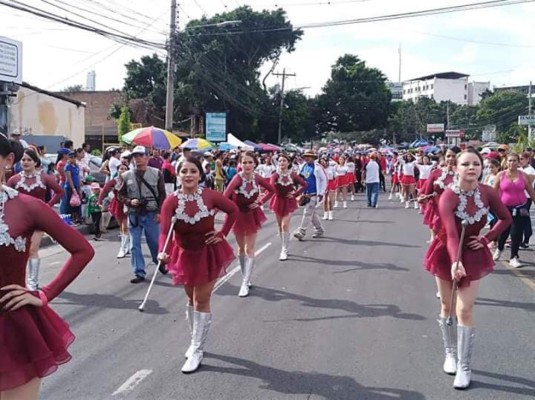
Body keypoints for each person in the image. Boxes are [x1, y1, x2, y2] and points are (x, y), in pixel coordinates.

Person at [0, 133, 94, 399]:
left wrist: (44, 294)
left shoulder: (27, 207)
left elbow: (82, 250)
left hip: (12, 326)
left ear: (9, 161)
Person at [424, 149, 511, 390]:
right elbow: (451, 235)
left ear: (481, 168)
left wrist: (487, 238)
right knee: (447, 305)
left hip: (472, 252)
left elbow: (505, 218)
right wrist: (454, 261)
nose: (471, 168)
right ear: (456, 168)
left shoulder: (488, 193)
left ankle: (464, 366)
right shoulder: (448, 197)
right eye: (465, 164)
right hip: (446, 252)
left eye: (476, 164)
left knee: (465, 309)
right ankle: (450, 353)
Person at [158, 157, 238, 373]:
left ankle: (197, 348)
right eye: (184, 171)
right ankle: (195, 340)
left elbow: (233, 210)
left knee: (201, 299)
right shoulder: (171, 202)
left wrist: (222, 234)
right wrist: (161, 251)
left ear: (200, 175)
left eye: (193, 170)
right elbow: (165, 231)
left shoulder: (211, 196)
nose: (189, 175)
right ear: (178, 174)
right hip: (183, 254)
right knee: (190, 299)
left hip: (208, 252)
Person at [6, 149, 64, 291]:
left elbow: (59, 191)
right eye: (23, 160)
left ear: (36, 162)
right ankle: (19, 281)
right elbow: (6, 198)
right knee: (18, 252)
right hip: (18, 220)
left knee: (32, 249)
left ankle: (32, 282)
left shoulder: (44, 178)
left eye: (29, 160)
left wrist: (46, 207)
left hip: (37, 220)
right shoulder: (14, 180)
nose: (25, 162)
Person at [223, 151, 275, 297]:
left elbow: (271, 190)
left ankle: (245, 282)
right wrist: (229, 209)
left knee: (250, 248)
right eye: (244, 162)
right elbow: (224, 197)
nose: (247, 165)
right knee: (241, 249)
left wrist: (259, 202)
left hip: (252, 214)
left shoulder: (257, 178)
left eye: (250, 162)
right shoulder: (236, 179)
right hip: (238, 214)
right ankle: (245, 276)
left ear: (255, 164)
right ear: (240, 164)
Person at [117, 146, 166, 283]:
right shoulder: (126, 175)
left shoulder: (157, 173)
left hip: (151, 213)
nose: (137, 158)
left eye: (140, 155)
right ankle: (139, 272)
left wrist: (160, 212)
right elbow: (119, 194)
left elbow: (162, 195)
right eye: (135, 156)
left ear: (147, 157)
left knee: (154, 243)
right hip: (134, 215)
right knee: (134, 245)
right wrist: (129, 201)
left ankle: (160, 263)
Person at [492, 152, 535, 268]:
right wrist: (490, 206)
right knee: (503, 232)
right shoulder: (501, 175)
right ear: (506, 162)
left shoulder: (523, 175)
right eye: (510, 160)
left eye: (514, 161)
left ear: (518, 162)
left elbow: (530, 191)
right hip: (504, 208)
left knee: (516, 233)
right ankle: (500, 249)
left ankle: (514, 257)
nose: (512, 163)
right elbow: (493, 192)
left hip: (520, 208)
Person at [269, 154, 307, 261]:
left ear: (288, 163)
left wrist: (295, 194)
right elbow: (270, 185)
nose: (281, 163)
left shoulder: (293, 175)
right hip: (277, 200)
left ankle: (284, 249)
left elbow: (304, 184)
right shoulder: (275, 175)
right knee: (280, 226)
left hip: (289, 201)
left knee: (285, 225)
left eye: (284, 161)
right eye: (280, 161)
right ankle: (284, 244)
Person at [293, 151, 327, 241]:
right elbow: (300, 178)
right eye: (306, 156)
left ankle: (302, 231)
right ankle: (319, 229)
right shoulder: (303, 166)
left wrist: (321, 193)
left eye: (309, 156)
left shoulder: (318, 168)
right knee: (312, 213)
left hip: (314, 193)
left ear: (313, 158)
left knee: (307, 212)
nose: (307, 158)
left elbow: (324, 180)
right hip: (305, 193)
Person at [99, 163, 130, 258]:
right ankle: (127, 245)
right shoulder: (115, 181)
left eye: (125, 169)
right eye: (121, 169)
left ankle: (123, 248)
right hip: (118, 205)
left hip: (128, 205)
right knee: (121, 226)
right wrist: (100, 201)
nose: (123, 170)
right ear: (118, 170)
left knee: (125, 226)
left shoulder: (131, 180)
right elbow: (104, 189)